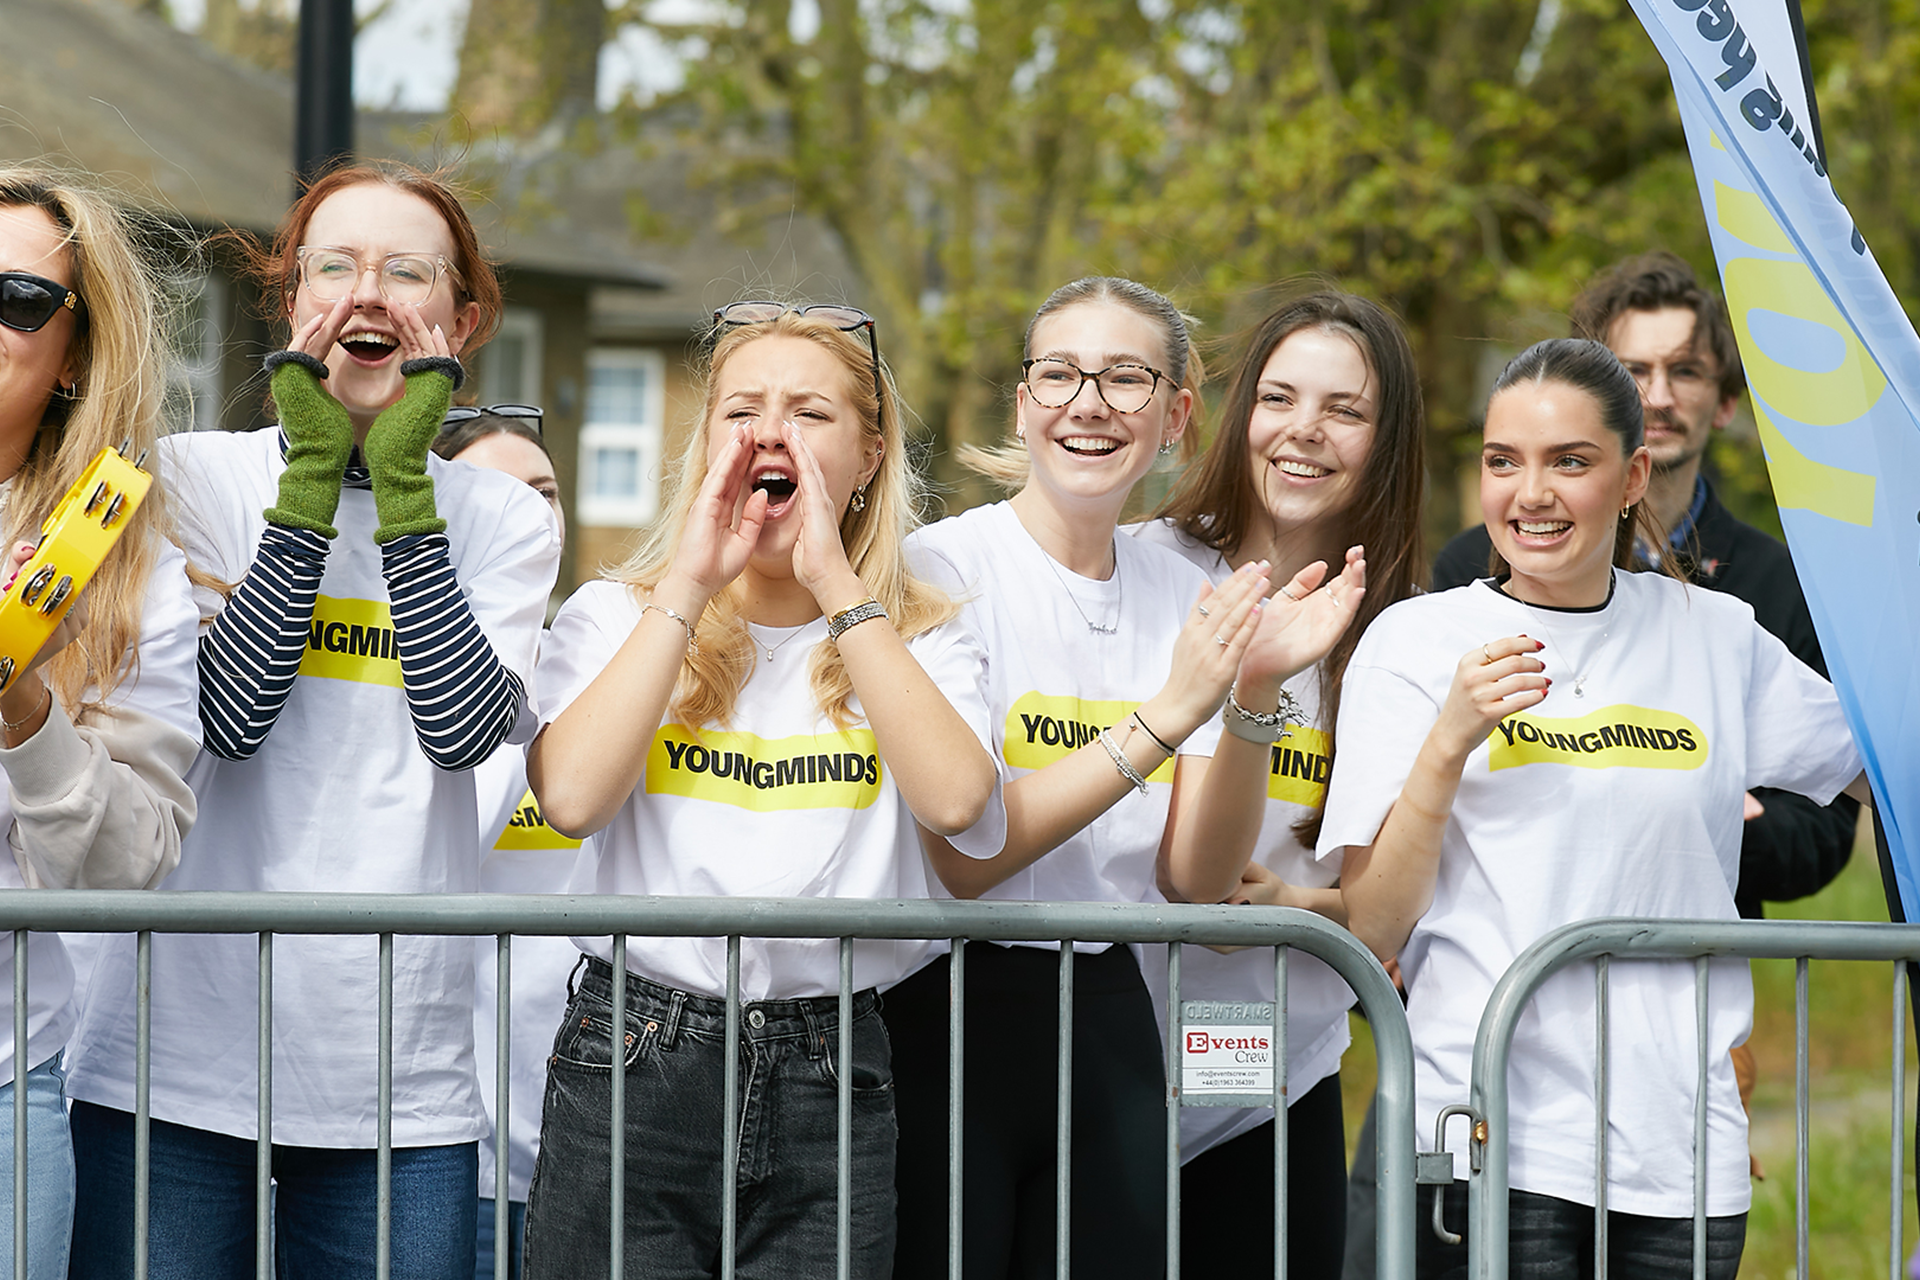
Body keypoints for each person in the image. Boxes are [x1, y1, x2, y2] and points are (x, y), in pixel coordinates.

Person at [65, 162, 561, 1279]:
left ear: (464, 318)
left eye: (407, 271)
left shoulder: (504, 519)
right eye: (335, 266)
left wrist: (399, 490)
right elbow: (226, 717)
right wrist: (308, 491)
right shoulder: (190, 478)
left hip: (399, 1088)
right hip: (170, 1061)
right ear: (291, 303)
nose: (367, 295)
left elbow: (459, 727)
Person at [1325, 338, 1866, 1278]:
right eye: (1505, 462)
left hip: (1679, 1152)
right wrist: (1450, 741)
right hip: (1490, 1133)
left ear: (1632, 476)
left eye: (1569, 462)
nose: (1531, 494)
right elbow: (1372, 919)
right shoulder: (1416, 641)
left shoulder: (1714, 633)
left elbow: (1881, 767)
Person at [885, 276, 1365, 1278]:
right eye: (1058, 373)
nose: (1088, 402)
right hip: (948, 1007)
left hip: (1110, 1015)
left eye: (1125, 377)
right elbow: (969, 856)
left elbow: (1195, 881)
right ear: (1022, 403)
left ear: (1178, 413)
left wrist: (1250, 690)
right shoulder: (935, 572)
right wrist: (1164, 716)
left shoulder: (1190, 593)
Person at [521, 303, 998, 1279]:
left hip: (833, 1062)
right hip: (635, 1049)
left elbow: (957, 800)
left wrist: (837, 584)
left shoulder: (922, 633)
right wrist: (689, 586)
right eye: (742, 409)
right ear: (704, 446)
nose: (770, 431)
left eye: (809, 412)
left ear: (869, 453)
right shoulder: (619, 611)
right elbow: (569, 797)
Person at [1132, 288, 1425, 1277]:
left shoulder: (1401, 635)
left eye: (1345, 409)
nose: (1304, 431)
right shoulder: (1145, 570)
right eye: (1279, 397)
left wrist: (1304, 904)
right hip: (1100, 1060)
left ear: (1387, 440)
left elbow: (1384, 900)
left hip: (1274, 1073)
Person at [1430, 253, 1859, 922]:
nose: (1657, 397)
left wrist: (1703, 805)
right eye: (1633, 371)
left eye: (1684, 371)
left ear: (1724, 403)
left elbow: (1826, 831)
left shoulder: (1772, 587)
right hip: (1507, 980)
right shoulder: (1470, 568)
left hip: (1694, 985)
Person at [0, 167, 201, 1280]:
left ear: (76, 354)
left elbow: (129, 865)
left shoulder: (122, 574)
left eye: (18, 300)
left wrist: (22, 697)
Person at [431, 406, 580, 1280]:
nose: (536, 514)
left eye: (548, 492)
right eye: (503, 492)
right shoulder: (389, 682)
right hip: (439, 1134)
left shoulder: (601, 660)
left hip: (576, 1136)